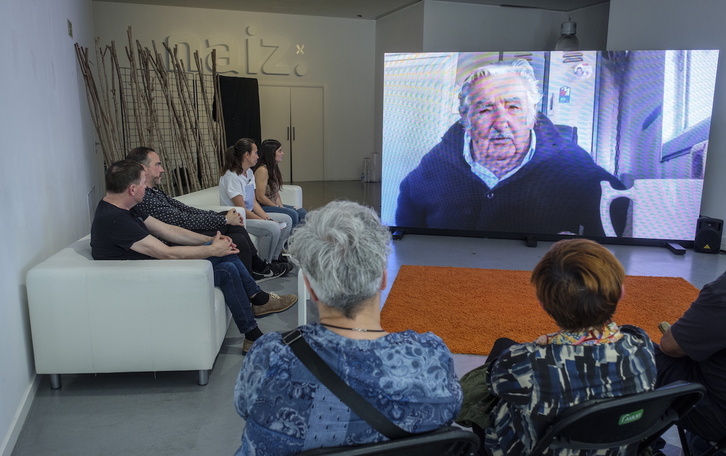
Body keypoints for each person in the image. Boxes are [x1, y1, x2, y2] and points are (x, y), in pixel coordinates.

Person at [233, 201, 462, 455]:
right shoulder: (431, 358)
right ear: (383, 279)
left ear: (310, 288)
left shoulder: (270, 356)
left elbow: (245, 407)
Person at [456, 238, 656, 456]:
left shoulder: (525, 364)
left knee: (488, 380)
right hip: (616, 449)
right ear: (621, 292)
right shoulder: (640, 344)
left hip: (535, 449)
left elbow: (494, 387)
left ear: (542, 303)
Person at [396, 59, 628, 237]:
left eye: (513, 107)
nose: (501, 122)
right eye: (485, 110)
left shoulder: (569, 161)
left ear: (531, 115)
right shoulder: (434, 166)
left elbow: (616, 202)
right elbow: (406, 235)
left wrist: (582, 253)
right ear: (465, 117)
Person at [90, 159, 297, 353]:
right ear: (132, 189)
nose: (147, 187)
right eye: (144, 183)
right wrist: (210, 250)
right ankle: (259, 304)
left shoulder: (126, 207)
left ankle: (253, 334)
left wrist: (211, 242)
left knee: (228, 267)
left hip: (153, 268)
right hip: (145, 279)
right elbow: (165, 253)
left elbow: (169, 230)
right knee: (225, 263)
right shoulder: (116, 219)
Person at [126, 146, 289, 282]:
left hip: (183, 229)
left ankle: (258, 268)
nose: (162, 169)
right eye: (158, 164)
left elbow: (185, 209)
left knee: (235, 225)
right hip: (177, 238)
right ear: (143, 168)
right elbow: (180, 221)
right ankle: (254, 273)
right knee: (236, 235)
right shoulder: (144, 198)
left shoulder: (154, 192)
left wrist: (221, 217)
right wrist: (223, 219)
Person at [656, 271, 726, 454]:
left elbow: (670, 346)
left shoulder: (722, 292)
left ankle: (632, 445)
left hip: (718, 419)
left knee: (631, 354)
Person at [219, 138, 292, 264]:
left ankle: (274, 259)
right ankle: (265, 263)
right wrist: (265, 220)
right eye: (256, 153)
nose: (258, 157)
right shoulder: (231, 177)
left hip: (249, 213)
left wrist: (266, 218)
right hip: (239, 219)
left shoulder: (249, 173)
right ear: (246, 155)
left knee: (287, 220)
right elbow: (242, 210)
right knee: (273, 228)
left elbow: (253, 202)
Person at [253, 138, 307, 228]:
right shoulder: (262, 170)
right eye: (280, 151)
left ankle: (298, 239)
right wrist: (276, 207)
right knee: (293, 214)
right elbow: (260, 197)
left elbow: (275, 193)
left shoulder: (273, 168)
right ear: (271, 153)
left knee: (302, 212)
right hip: (262, 206)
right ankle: (289, 241)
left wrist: (281, 207)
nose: (282, 153)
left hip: (273, 204)